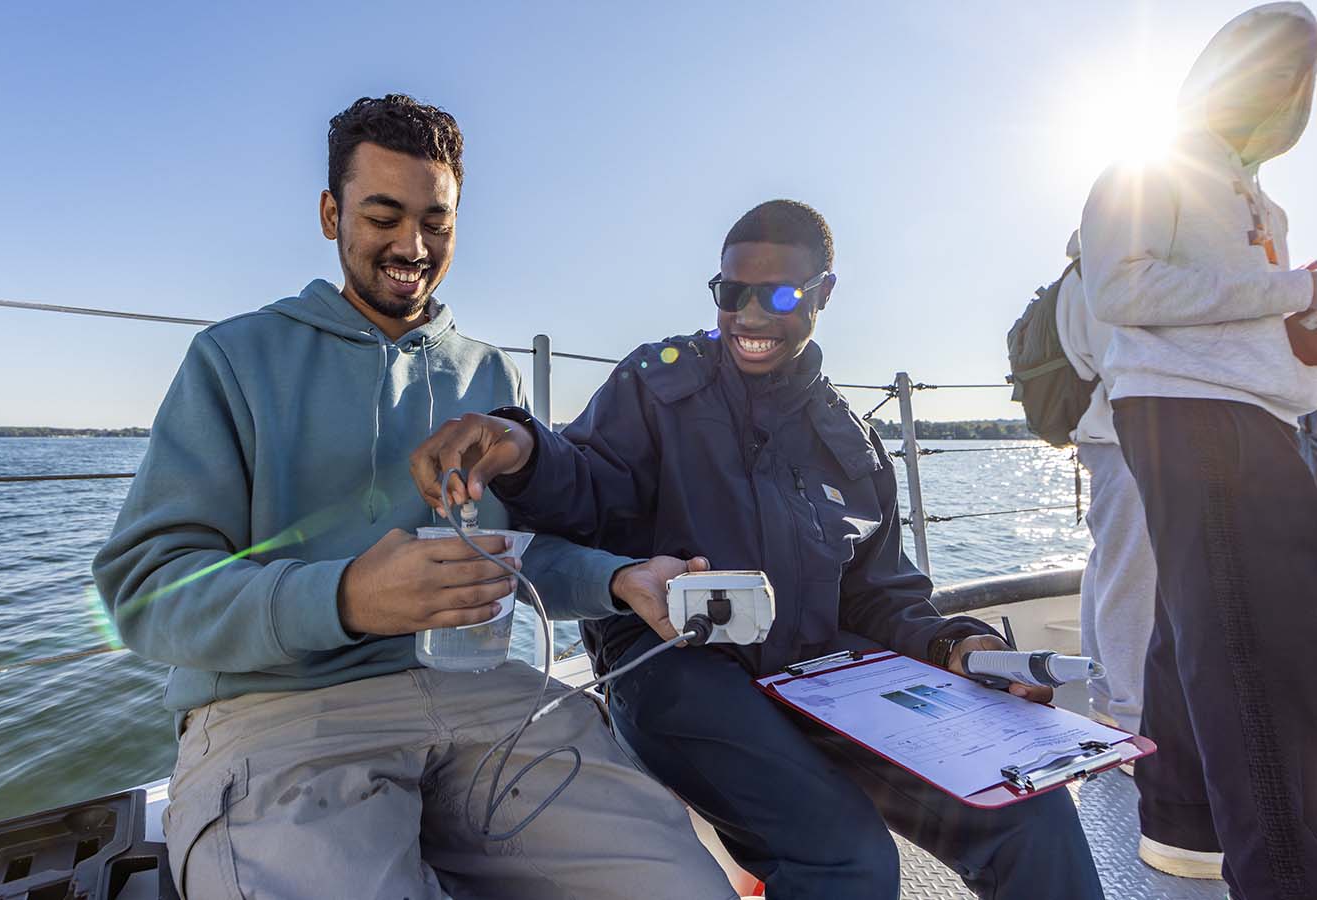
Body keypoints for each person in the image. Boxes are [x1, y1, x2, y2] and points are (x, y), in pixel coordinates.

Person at [92, 94, 736, 900]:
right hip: (284, 713)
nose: (412, 245)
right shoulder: (232, 359)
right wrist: (347, 597)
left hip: (486, 698)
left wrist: (618, 580)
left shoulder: (487, 375)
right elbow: (146, 595)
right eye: (383, 215)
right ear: (331, 214)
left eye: (437, 221)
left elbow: (507, 560)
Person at [411, 200, 1105, 900]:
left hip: (825, 671)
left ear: (824, 293)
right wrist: (523, 447)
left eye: (777, 295)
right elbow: (586, 489)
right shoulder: (654, 387)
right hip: (674, 667)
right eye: (730, 293)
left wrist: (958, 646)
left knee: (1030, 809)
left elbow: (882, 598)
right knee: (846, 856)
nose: (748, 316)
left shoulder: (854, 444)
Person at [1078, 5, 1317, 898]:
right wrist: (1289, 286)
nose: (1291, 91)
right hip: (1192, 416)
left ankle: (1183, 833)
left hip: (1262, 411)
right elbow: (1120, 285)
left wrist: (1299, 316)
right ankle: (1286, 877)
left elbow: (1251, 309)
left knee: (1194, 626)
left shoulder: (1265, 199)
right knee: (1259, 653)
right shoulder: (1146, 168)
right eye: (1277, 67)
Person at [1058, 229, 1225, 878]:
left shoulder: (1081, 273)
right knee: (1132, 571)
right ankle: (1129, 726)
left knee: (1110, 567)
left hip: (1106, 436)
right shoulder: (1110, 274)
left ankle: (1115, 706)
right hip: (1132, 433)